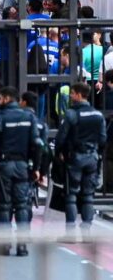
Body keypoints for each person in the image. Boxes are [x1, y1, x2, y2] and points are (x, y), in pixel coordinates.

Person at [0, 86, 42, 256]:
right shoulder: (29, 117)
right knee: (22, 205)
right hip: (23, 166)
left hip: (3, 165)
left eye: (1, 98)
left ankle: (5, 244)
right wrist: (36, 167)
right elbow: (37, 144)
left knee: (4, 205)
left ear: (7, 98)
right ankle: (22, 246)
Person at [55, 82, 106, 240]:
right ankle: (86, 232)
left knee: (71, 194)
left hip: (75, 157)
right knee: (88, 195)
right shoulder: (98, 115)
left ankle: (70, 233)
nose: (70, 96)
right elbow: (103, 139)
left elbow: (61, 138)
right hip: (92, 157)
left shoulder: (71, 114)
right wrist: (97, 153)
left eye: (72, 93)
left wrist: (60, 153)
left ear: (78, 94)